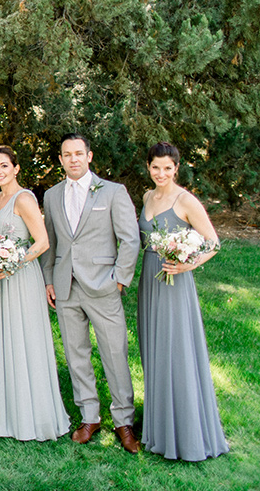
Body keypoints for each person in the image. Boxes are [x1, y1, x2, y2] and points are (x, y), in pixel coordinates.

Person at [40, 134, 140, 453]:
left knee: (114, 354)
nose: (73, 159)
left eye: (78, 154)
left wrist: (119, 279)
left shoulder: (113, 192)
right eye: (67, 154)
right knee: (76, 354)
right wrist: (49, 280)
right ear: (60, 159)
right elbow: (51, 243)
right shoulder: (52, 196)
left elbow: (130, 239)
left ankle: (124, 421)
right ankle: (89, 416)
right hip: (66, 286)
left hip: (103, 286)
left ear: (89, 156)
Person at [138, 142, 228, 461]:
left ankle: (185, 431)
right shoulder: (148, 197)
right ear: (148, 167)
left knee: (176, 350)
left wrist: (189, 263)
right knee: (155, 350)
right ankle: (158, 425)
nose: (161, 173)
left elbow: (213, 242)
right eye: (155, 167)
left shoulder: (185, 199)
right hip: (150, 280)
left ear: (176, 168)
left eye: (167, 168)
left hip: (175, 281)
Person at [0, 146, 69, 441]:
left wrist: (13, 263)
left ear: (16, 168)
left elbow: (41, 242)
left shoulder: (24, 198)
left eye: (4, 166)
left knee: (22, 339)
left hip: (20, 278)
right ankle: (6, 404)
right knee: (2, 338)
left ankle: (32, 411)